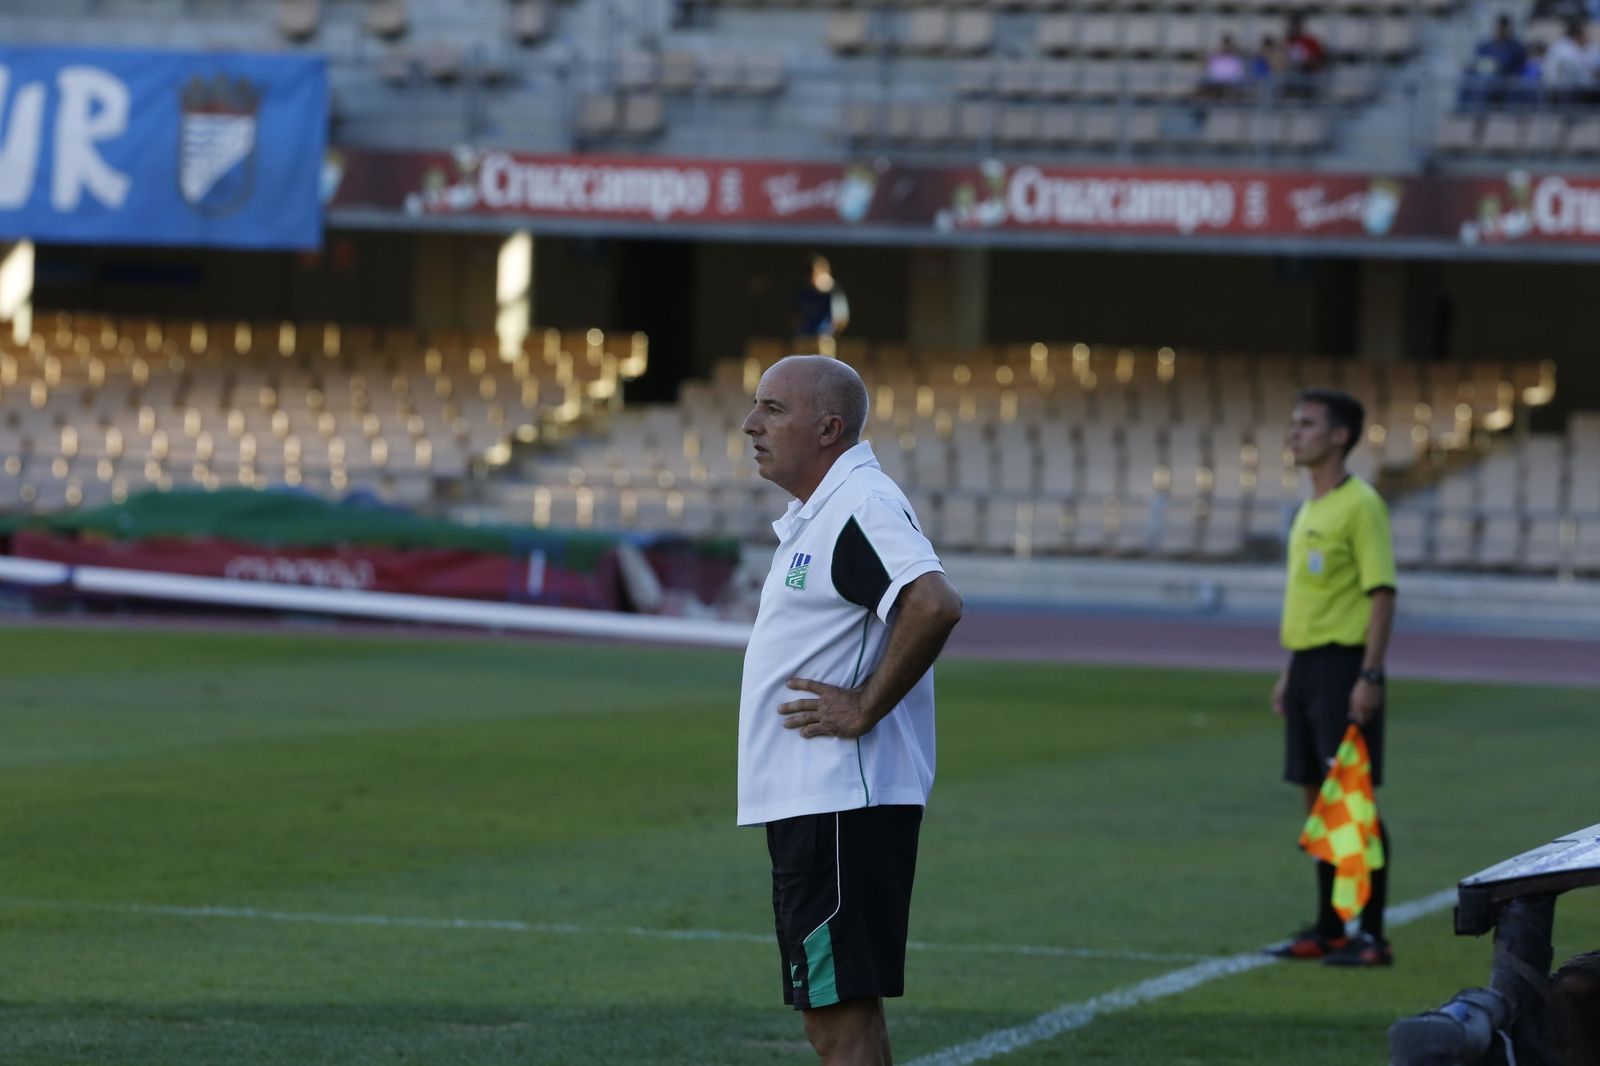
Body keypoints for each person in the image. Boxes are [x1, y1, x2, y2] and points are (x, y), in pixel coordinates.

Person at [737, 354, 963, 1065]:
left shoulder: (859, 505)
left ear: (828, 427)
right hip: (822, 802)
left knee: (835, 1018)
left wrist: (864, 706)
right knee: (838, 1013)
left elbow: (932, 603)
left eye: (773, 409)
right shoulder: (827, 511)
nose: (751, 425)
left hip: (840, 800)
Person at [1267, 388, 1397, 968]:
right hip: (1308, 667)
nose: (1294, 433)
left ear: (1339, 435)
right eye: (1294, 424)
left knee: (1352, 802)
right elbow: (1312, 599)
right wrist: (1290, 670)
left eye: (1307, 424)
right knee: (1319, 803)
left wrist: (1369, 674)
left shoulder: (1360, 504)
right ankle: (1330, 926)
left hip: (1345, 666)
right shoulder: (1310, 509)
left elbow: (1381, 593)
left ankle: (1371, 935)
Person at [1461, 15, 1529, 105]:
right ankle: (1462, 109)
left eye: (1503, 28)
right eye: (1499, 27)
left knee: (1485, 82)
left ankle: (1480, 110)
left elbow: (1520, 66)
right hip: (1485, 74)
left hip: (1505, 78)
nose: (1500, 30)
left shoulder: (1516, 47)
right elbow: (1478, 62)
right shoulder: (1485, 45)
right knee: (1469, 75)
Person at [1543, 19, 1600, 104]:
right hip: (1566, 87)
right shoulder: (1565, 48)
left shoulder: (1562, 46)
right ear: (1577, 34)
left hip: (1570, 88)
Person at [794, 255, 851, 338]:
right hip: (804, 339)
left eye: (813, 273)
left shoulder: (833, 290)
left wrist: (829, 336)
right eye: (808, 273)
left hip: (825, 340)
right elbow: (795, 317)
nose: (811, 277)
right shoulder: (803, 291)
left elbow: (841, 320)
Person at [1284, 14, 1326, 96]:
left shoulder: (1311, 42)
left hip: (1307, 79)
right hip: (1289, 79)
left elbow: (1318, 62)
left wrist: (1306, 63)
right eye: (1292, 26)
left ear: (1301, 26)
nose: (1293, 29)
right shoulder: (1285, 43)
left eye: (1296, 26)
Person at [1198, 34, 1249, 99]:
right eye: (1224, 44)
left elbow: (1238, 77)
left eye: (1228, 45)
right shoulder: (1215, 58)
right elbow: (1209, 73)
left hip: (1231, 85)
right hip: (1215, 85)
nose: (1226, 47)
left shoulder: (1236, 59)